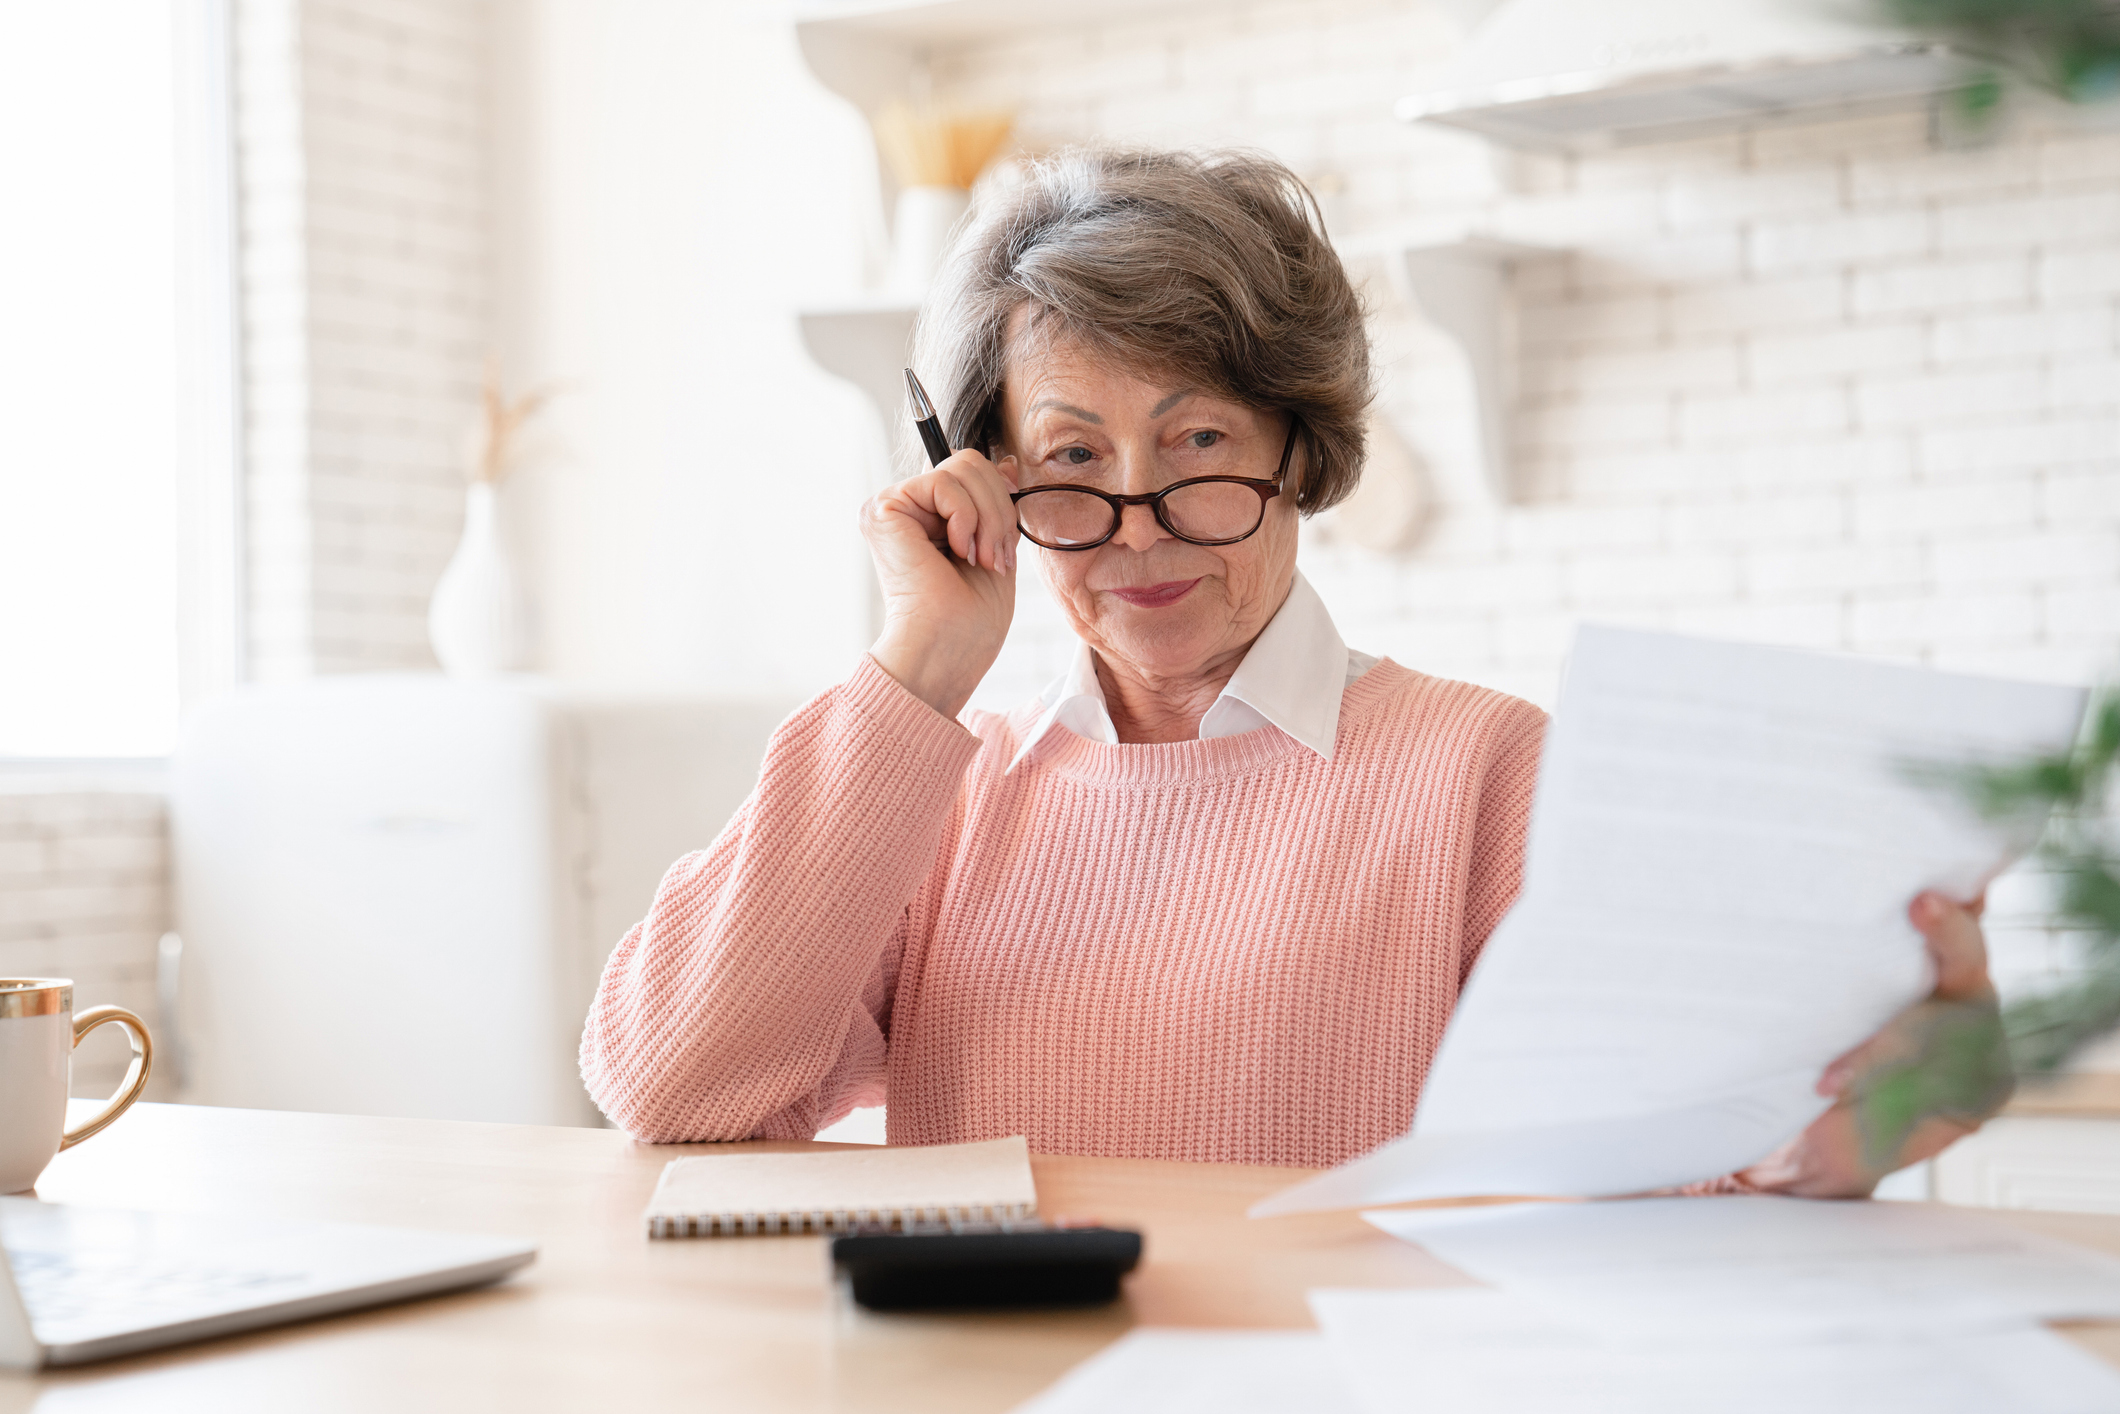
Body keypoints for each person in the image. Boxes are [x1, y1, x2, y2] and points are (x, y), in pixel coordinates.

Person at [580, 148, 2005, 1194]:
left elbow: (1655, 1181)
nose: (1139, 528)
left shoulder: (1492, 770)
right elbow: (671, 1088)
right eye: (1072, 460)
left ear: (1298, 452)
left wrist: (1845, 1134)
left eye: (1200, 447)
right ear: (990, 482)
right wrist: (916, 674)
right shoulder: (934, 787)